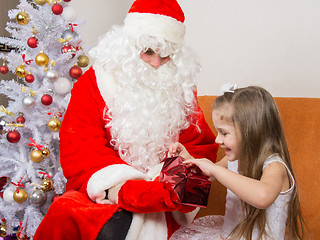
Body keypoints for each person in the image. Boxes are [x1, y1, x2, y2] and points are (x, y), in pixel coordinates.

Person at [34, 0, 218, 239]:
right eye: (149, 52)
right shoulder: (95, 83)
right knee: (67, 212)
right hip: (104, 191)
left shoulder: (178, 87)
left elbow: (199, 148)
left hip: (161, 199)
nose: (156, 63)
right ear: (128, 46)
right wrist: (125, 188)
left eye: (166, 56)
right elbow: (81, 148)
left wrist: (165, 189)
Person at [169, 85, 305, 240]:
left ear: (251, 131)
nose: (217, 139)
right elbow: (206, 175)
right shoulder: (233, 160)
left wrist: (215, 170)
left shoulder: (275, 167)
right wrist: (188, 160)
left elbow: (263, 197)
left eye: (224, 133)